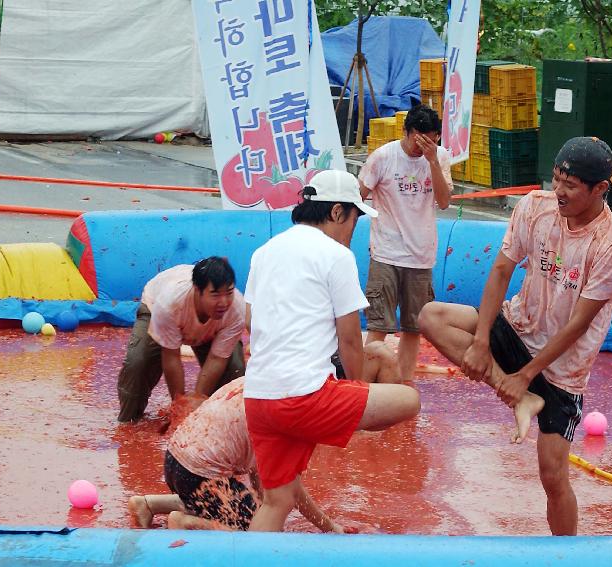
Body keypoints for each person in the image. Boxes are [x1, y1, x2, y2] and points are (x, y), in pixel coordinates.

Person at [418, 137, 612, 536]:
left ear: (600, 188)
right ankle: (522, 397)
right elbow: (501, 271)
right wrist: (482, 340)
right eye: (556, 180)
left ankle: (566, 556)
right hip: (516, 326)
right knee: (432, 316)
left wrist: (527, 374)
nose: (559, 192)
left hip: (561, 368)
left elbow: (578, 325)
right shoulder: (535, 207)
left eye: (571, 186)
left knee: (553, 477)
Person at [243, 169, 421, 532]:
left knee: (277, 500)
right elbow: (351, 338)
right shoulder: (336, 256)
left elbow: (249, 320)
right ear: (337, 212)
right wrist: (356, 390)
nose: (353, 233)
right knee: (408, 400)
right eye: (354, 221)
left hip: (258, 397)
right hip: (305, 396)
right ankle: (344, 431)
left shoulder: (264, 252)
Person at [127, 378, 344, 533]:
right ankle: (186, 523)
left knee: (232, 504)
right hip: (200, 476)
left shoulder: (259, 379)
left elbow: (261, 476)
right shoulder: (285, 412)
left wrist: (261, 505)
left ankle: (150, 504)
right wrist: (330, 527)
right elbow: (292, 490)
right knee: (252, 529)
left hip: (175, 461)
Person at [358, 104, 453, 382]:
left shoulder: (440, 157)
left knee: (414, 327)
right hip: (386, 252)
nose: (422, 145)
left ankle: (403, 383)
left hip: (421, 255)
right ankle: (365, 385)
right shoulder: (383, 157)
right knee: (378, 324)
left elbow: (445, 201)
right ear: (406, 131)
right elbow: (359, 194)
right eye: (418, 138)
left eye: (431, 138)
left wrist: (433, 160)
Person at [117, 257, 246, 422]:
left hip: (209, 330)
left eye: (229, 293)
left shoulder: (236, 307)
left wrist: (197, 398)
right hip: (155, 307)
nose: (224, 302)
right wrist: (180, 406)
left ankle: (221, 421)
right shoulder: (169, 303)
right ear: (197, 291)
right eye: (215, 295)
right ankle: (129, 420)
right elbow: (171, 356)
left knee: (235, 369)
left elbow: (217, 358)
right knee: (138, 362)